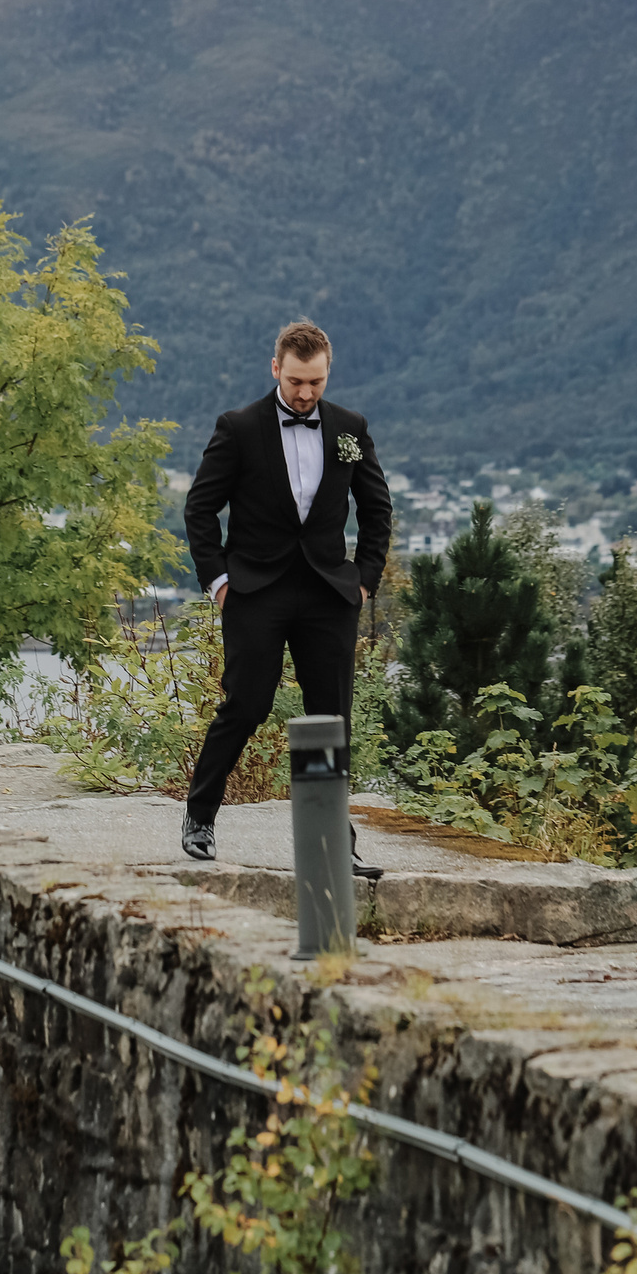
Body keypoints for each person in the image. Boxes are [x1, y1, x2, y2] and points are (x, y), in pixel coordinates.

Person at [179, 319, 391, 875]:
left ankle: (332, 842)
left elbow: (376, 511)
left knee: (331, 718)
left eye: (315, 383)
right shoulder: (239, 427)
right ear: (276, 368)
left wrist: (364, 579)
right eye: (296, 381)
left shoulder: (350, 427)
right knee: (246, 704)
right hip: (256, 590)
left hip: (328, 593)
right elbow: (200, 509)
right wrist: (219, 581)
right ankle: (200, 815)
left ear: (327, 373)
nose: (305, 393)